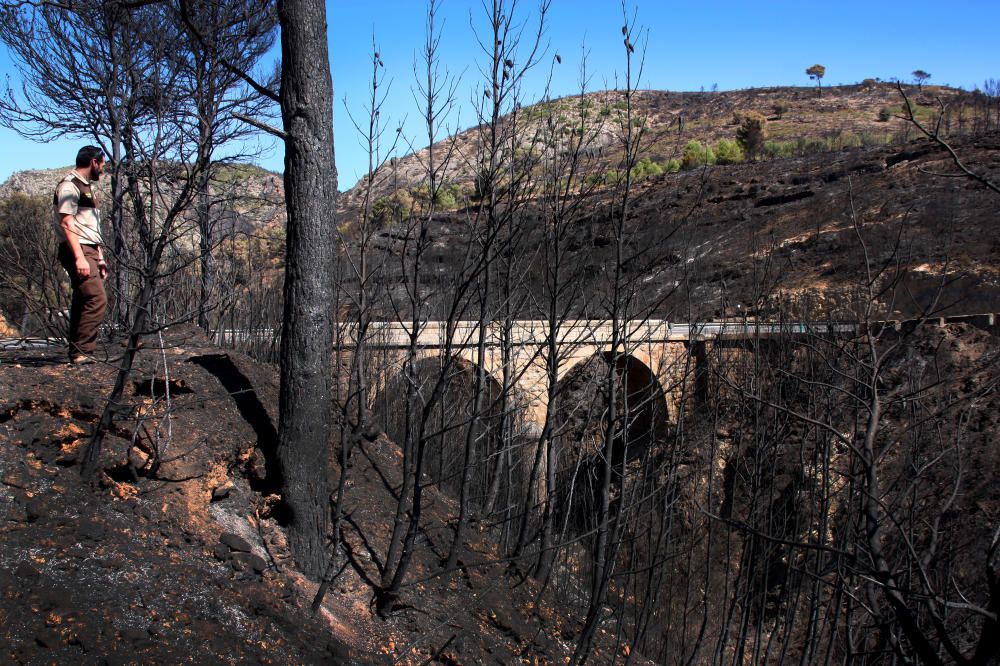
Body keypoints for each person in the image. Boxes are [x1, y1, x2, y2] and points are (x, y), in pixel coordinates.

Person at [54, 145, 108, 364]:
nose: (103, 169)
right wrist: (79, 257)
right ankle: (82, 352)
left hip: (90, 249)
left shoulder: (86, 187)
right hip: (78, 249)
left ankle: (77, 351)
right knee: (96, 298)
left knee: (82, 298)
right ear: (93, 162)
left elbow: (90, 226)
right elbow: (66, 222)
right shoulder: (69, 185)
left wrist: (100, 256)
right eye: (102, 164)